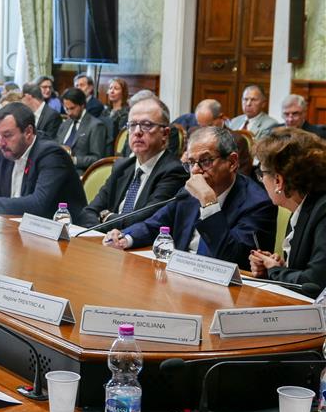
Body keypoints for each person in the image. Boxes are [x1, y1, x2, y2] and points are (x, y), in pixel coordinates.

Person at [104, 126, 277, 270]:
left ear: (232, 162)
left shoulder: (258, 203)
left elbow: (232, 258)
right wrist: (125, 238)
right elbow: (154, 225)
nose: (195, 170)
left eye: (206, 161)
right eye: (191, 162)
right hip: (179, 277)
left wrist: (209, 203)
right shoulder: (188, 193)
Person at [0, 102, 87, 219]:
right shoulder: (7, 151)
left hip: (65, 233)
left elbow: (38, 204)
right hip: (18, 227)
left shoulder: (51, 155)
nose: (0, 143)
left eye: (7, 135)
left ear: (28, 132)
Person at [78, 96, 188, 230]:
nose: (137, 132)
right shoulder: (122, 167)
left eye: (147, 125)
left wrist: (106, 217)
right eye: (132, 125)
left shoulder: (174, 171)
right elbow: (88, 212)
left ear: (165, 134)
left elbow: (146, 221)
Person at [249, 128, 326, 290]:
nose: (261, 180)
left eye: (262, 174)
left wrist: (274, 271)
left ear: (278, 181)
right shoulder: (303, 207)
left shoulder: (323, 210)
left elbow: (314, 284)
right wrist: (279, 268)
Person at [55, 87, 107, 175]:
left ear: (82, 105)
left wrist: (74, 160)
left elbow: (97, 158)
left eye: (72, 108)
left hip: (79, 172)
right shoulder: (65, 124)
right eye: (66, 109)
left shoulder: (96, 126)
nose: (69, 113)